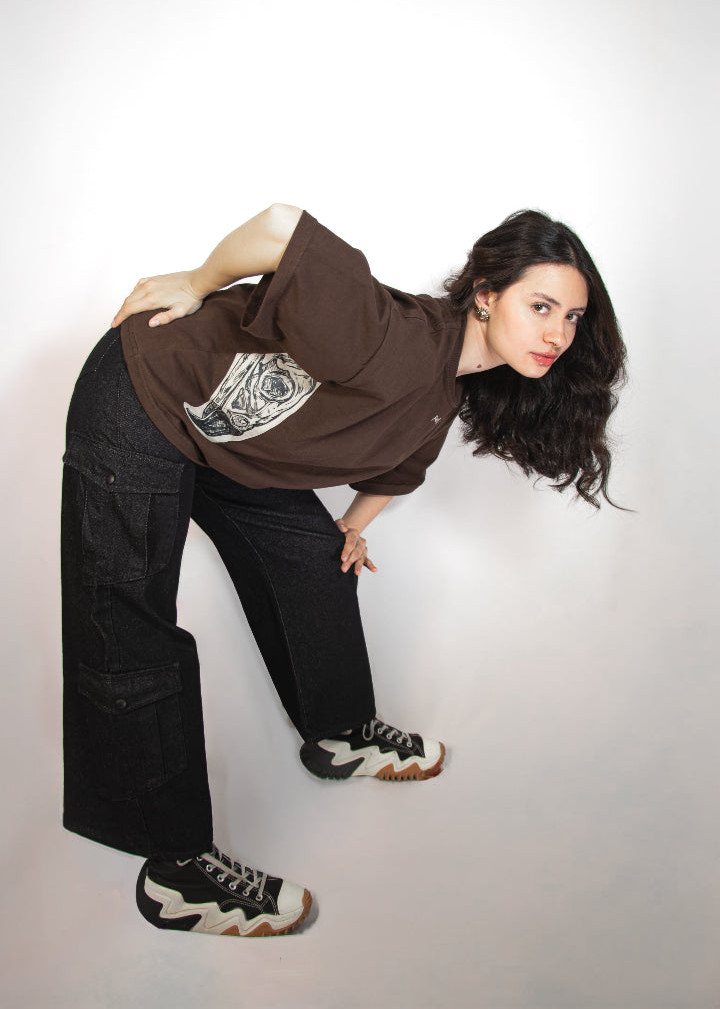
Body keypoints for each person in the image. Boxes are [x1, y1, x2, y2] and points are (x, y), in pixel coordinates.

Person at [61, 203, 626, 938]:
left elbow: (402, 462)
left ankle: (340, 732)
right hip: (141, 396)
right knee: (130, 633)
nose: (557, 334)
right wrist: (196, 282)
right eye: (541, 306)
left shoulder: (447, 388)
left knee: (315, 556)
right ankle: (177, 874)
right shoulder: (392, 339)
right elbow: (279, 226)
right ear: (486, 294)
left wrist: (354, 528)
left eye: (572, 318)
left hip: (218, 434)